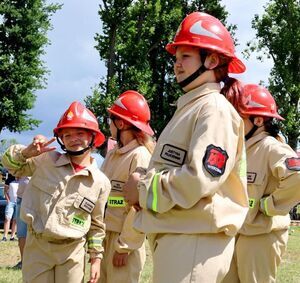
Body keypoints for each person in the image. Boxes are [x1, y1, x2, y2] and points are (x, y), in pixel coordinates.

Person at [123, 12, 249, 283]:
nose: (177, 65)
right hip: (183, 239)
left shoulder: (213, 109)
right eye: (176, 58)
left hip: (194, 243)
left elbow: (199, 179)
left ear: (212, 60)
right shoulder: (193, 108)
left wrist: (143, 188)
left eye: (186, 57)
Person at [2, 101, 111, 283]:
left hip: (72, 251)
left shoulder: (100, 182)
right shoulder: (45, 160)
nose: (73, 138)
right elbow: (9, 165)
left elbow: (97, 226)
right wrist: (27, 153)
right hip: (38, 246)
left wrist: (96, 259)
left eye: (80, 133)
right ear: (60, 139)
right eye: (66, 134)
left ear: (93, 137)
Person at [222, 84, 300, 283]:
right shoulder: (242, 149)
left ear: (258, 120)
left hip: (261, 237)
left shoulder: (271, 147)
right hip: (237, 233)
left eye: (239, 116)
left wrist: (269, 205)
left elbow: (298, 176)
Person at [100, 90, 155, 283]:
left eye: (111, 119)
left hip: (123, 241)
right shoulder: (113, 155)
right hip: (104, 236)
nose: (108, 124)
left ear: (121, 123)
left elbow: (138, 209)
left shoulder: (140, 156)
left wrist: (124, 246)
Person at [14, 176, 30, 269]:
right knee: (22, 233)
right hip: (21, 198)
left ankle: (33, 262)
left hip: (36, 200)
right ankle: (23, 262)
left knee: (37, 233)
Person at [2, 175, 18, 242]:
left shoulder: (22, 179)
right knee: (7, 218)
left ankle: (12, 237)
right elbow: (5, 191)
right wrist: (8, 200)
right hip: (11, 202)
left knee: (15, 220)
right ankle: (5, 236)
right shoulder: (9, 179)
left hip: (19, 202)